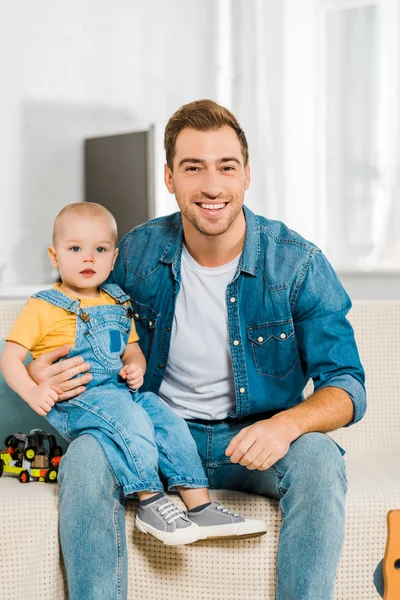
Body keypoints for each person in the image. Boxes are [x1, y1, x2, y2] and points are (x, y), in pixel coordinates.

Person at [27, 100, 366, 600]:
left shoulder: (296, 264)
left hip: (253, 442)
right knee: (85, 456)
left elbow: (347, 384)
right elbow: (67, 317)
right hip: (155, 435)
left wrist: (287, 424)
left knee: (318, 458)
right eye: (193, 168)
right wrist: (41, 370)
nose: (211, 186)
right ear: (169, 177)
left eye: (226, 167)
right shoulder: (135, 254)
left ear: (246, 174)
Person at [0, 202, 266, 547]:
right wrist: (33, 391)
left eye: (100, 250)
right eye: (75, 249)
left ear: (113, 260)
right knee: (132, 421)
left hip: (119, 390)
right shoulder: (44, 305)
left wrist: (135, 367)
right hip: (79, 398)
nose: (88, 259)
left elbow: (131, 349)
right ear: (55, 256)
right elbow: (10, 358)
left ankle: (200, 505)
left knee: (165, 417)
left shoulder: (117, 300)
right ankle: (150, 501)